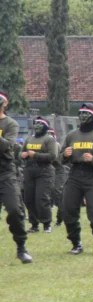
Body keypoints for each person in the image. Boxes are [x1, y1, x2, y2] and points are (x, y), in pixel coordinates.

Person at [61, 103, 93, 256]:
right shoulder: (71, 135)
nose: (83, 116)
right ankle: (76, 244)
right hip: (75, 175)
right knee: (68, 210)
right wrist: (65, 155)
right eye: (81, 113)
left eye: (86, 113)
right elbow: (59, 159)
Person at [0, 89, 33, 263]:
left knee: (14, 210)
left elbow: (6, 146)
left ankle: (21, 247)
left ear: (5, 103)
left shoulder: (11, 124)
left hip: (5, 172)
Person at [22, 117, 57, 234]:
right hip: (29, 170)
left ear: (46, 127)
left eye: (40, 124)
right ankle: (34, 224)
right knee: (28, 199)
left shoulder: (49, 139)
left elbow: (52, 156)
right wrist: (22, 155)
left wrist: (35, 155)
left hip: (44, 171)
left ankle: (46, 224)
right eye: (35, 124)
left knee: (41, 199)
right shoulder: (29, 139)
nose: (37, 126)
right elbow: (20, 153)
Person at [49, 128, 67, 227]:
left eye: (51, 133)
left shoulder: (55, 144)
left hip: (58, 170)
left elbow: (54, 158)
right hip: (47, 170)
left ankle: (61, 218)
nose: (49, 135)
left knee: (57, 193)